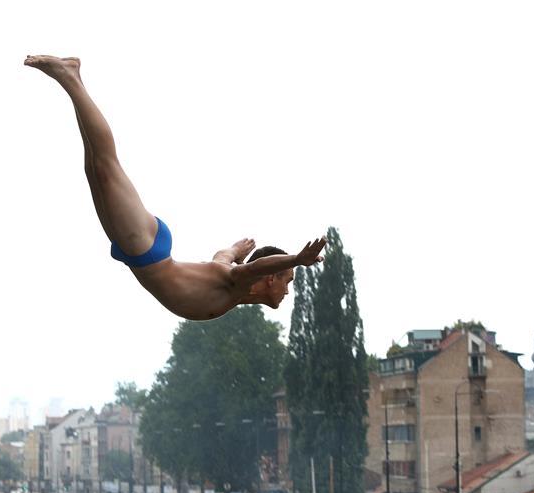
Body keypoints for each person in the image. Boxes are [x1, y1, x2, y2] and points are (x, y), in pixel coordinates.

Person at [24, 55, 326, 321]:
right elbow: (248, 268)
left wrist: (234, 249)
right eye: (288, 280)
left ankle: (71, 81)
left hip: (147, 252)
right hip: (147, 253)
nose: (288, 290)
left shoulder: (232, 285)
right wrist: (296, 259)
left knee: (94, 168)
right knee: (105, 166)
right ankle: (70, 77)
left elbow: (222, 256)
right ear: (270, 277)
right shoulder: (237, 282)